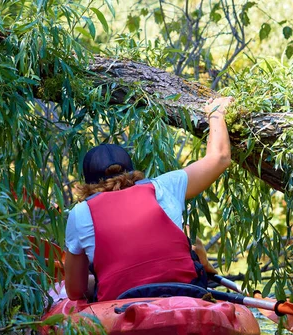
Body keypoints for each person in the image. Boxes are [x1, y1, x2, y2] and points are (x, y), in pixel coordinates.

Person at [64, 96, 233, 301]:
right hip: (185, 293)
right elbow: (220, 158)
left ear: (88, 184)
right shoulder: (164, 187)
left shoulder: (80, 213)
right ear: (132, 171)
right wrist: (216, 112)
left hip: (122, 306)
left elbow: (75, 291)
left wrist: (96, 281)